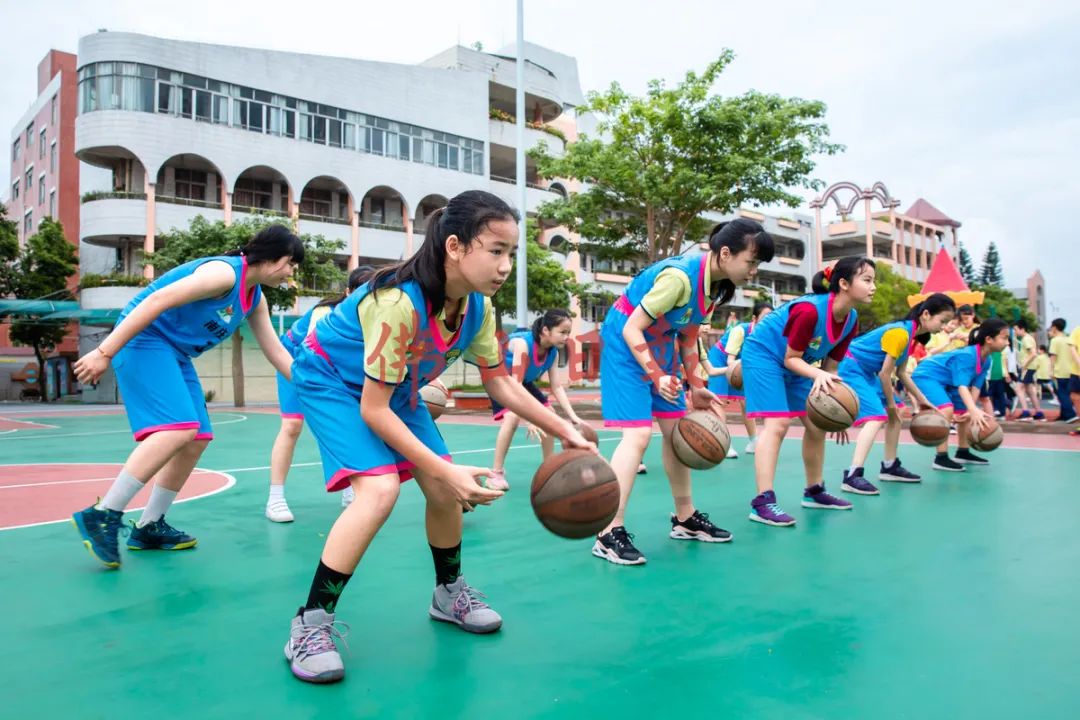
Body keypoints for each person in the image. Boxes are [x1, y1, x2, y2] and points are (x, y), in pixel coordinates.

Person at [281, 190, 594, 683]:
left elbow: (499, 383)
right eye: (496, 250)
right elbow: (374, 411)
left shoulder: (477, 310)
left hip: (394, 389)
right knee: (379, 490)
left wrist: (566, 428)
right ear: (454, 246)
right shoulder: (397, 302)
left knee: (441, 489)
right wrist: (445, 467)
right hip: (331, 382)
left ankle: (448, 595)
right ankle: (310, 623)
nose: (505, 265)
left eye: (511, 254)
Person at [71, 225, 303, 568]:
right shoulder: (223, 274)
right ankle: (103, 514)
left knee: (197, 437)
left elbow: (276, 352)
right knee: (179, 427)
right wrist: (104, 351)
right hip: (143, 340)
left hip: (174, 353)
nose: (291, 273)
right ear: (271, 258)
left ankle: (149, 525)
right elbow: (156, 300)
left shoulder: (255, 298)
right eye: (290, 264)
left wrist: (315, 387)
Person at [592, 218, 773, 565]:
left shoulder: (713, 287)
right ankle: (607, 530)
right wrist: (657, 374)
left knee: (677, 432)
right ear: (725, 253)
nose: (753, 271)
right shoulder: (678, 278)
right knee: (638, 436)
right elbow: (632, 328)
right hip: (625, 347)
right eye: (751, 261)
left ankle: (685, 519)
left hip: (658, 348)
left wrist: (696, 384)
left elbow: (688, 336)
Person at [740, 255, 875, 526]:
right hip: (764, 355)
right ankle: (762, 501)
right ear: (844, 283)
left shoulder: (851, 319)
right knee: (777, 423)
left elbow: (831, 368)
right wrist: (820, 376)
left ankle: (814, 492)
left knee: (816, 426)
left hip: (798, 363)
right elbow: (791, 357)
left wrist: (833, 406)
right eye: (868, 280)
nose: (874, 287)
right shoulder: (810, 311)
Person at [266, 266, 371, 522]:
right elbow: (313, 350)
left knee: (347, 426)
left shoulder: (376, 318)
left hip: (333, 370)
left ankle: (349, 489)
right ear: (348, 292)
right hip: (296, 360)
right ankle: (275, 498)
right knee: (292, 425)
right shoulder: (325, 312)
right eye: (360, 293)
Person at [837, 293, 956, 494]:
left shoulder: (910, 336)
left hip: (866, 371)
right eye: (942, 321)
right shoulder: (900, 333)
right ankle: (853, 475)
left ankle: (889, 466)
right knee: (877, 417)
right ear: (926, 314)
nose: (943, 327)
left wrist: (923, 401)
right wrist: (890, 403)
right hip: (851, 366)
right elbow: (885, 374)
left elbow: (901, 373)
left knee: (898, 412)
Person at [911, 318, 1010, 471]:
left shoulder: (987, 360)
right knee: (946, 409)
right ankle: (941, 458)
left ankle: (963, 452)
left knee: (965, 410)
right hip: (926, 375)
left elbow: (975, 387)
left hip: (947, 380)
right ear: (989, 339)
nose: (1007, 342)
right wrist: (972, 409)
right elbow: (962, 386)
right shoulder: (968, 356)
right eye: (1004, 338)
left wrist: (971, 410)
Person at [707, 302, 773, 457]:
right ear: (755, 318)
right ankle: (724, 443)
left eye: (771, 318)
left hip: (742, 365)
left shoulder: (767, 337)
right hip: (721, 360)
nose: (768, 321)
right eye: (765, 317)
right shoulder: (740, 331)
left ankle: (753, 441)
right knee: (719, 401)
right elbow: (730, 361)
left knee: (746, 401)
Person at [1013, 320, 1045, 421]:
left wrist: (1024, 365)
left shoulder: (1026, 339)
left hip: (1027, 368)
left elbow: (1033, 353)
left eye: (1016, 329)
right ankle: (1039, 412)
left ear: (1022, 329)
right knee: (1030, 390)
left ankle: (1026, 412)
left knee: (1018, 388)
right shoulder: (1027, 338)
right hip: (1030, 367)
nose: (1015, 332)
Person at [1048, 318, 1078, 423]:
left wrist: (1050, 371)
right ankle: (1064, 414)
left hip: (1059, 371)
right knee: (1067, 393)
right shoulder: (1068, 338)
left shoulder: (1055, 340)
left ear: (1055, 327)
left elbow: (1053, 357)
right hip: (1070, 371)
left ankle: (1070, 414)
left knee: (1062, 394)